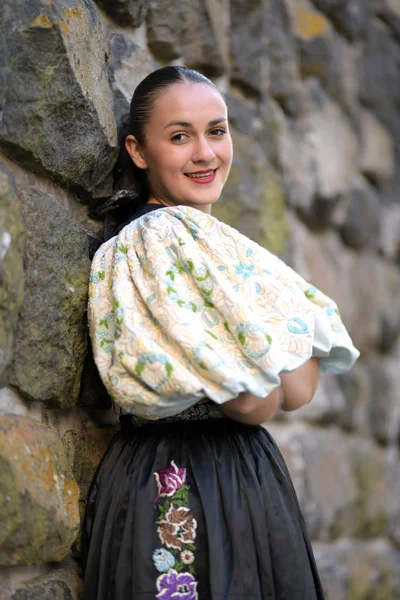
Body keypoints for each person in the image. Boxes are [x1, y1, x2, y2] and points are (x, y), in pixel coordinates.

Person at [83, 66, 359, 600]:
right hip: (183, 479)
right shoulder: (157, 238)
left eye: (217, 130)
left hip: (238, 476)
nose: (206, 153)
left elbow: (295, 391)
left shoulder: (221, 246)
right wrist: (261, 353)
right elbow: (260, 401)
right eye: (180, 136)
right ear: (139, 152)